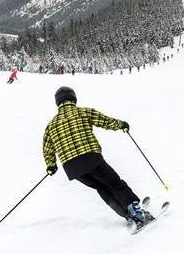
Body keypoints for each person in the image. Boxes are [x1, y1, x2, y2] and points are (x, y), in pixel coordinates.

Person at [42, 87, 153, 225]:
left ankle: (128, 215)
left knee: (101, 187)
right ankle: (136, 212)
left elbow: (47, 149)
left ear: (58, 102)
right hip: (90, 158)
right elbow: (105, 121)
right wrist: (122, 125)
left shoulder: (51, 125)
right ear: (73, 98)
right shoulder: (83, 112)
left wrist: (51, 166)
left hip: (72, 168)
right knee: (115, 183)